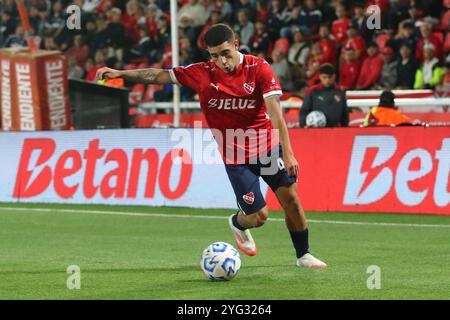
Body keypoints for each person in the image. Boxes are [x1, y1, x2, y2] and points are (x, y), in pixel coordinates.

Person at [96, 24, 326, 268]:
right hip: (236, 157)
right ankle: (238, 224)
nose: (221, 61)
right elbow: (157, 74)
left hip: (267, 149)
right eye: (214, 55)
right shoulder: (201, 73)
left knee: (291, 199)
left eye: (225, 53)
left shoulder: (259, 69)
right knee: (259, 217)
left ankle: (303, 255)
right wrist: (120, 72)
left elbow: (276, 114)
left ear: (236, 44)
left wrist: (288, 154)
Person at [300, 63, 349, 128]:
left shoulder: (340, 92)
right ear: (320, 77)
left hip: (335, 130)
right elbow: (304, 111)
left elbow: (344, 114)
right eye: (324, 77)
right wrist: (303, 126)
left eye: (330, 77)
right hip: (316, 130)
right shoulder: (312, 91)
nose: (327, 80)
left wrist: (345, 128)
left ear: (334, 76)